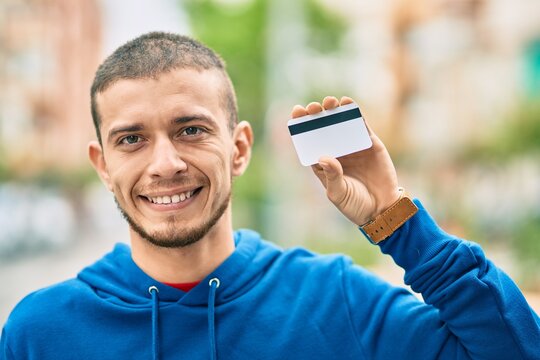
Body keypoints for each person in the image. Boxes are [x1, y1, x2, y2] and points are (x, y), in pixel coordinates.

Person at [1, 32, 539, 360]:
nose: (165, 164)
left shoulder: (337, 302)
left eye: (191, 130)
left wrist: (400, 225)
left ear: (239, 149)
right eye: (132, 139)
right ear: (103, 164)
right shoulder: (40, 332)